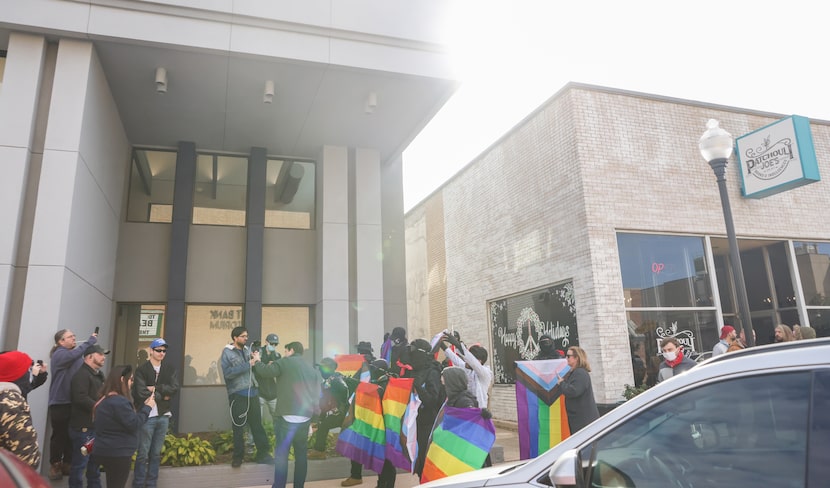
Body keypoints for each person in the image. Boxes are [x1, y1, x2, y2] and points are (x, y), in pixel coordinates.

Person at [253, 341, 322, 488]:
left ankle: (279, 486)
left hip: (286, 418)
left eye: (285, 351)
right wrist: (314, 421)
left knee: (282, 456)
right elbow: (317, 397)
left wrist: (257, 360)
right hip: (305, 418)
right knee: (301, 456)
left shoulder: (285, 362)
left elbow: (265, 372)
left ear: (290, 350)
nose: (284, 354)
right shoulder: (311, 369)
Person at [48, 328, 99, 480]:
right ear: (60, 341)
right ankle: (55, 465)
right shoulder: (59, 354)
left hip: (73, 402)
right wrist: (89, 341)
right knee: (59, 435)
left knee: (72, 435)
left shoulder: (74, 355)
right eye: (70, 337)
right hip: (60, 402)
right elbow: (74, 355)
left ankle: (68, 464)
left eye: (74, 336)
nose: (74, 338)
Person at [93, 365, 155, 488]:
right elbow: (134, 424)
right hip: (118, 452)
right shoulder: (120, 402)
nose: (132, 383)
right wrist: (148, 407)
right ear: (122, 379)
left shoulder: (104, 400)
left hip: (104, 450)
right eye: (131, 379)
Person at [220, 326, 273, 467]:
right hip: (238, 395)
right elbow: (228, 373)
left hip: (253, 393)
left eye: (246, 336)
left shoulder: (247, 350)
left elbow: (255, 369)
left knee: (257, 426)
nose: (246, 338)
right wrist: (248, 364)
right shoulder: (227, 353)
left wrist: (257, 359)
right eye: (243, 336)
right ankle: (238, 457)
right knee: (238, 427)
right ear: (235, 338)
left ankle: (263, 454)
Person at [132, 338, 179, 488]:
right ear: (151, 351)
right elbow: (140, 392)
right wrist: (163, 394)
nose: (162, 353)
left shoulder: (170, 368)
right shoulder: (142, 370)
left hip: (163, 415)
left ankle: (152, 483)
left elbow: (174, 389)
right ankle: (138, 483)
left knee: (156, 453)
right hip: (147, 415)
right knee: (143, 453)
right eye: (158, 350)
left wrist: (155, 389)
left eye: (164, 351)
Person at [399, 338, 445, 477]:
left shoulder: (432, 372)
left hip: (429, 425)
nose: (411, 356)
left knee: (427, 463)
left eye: (413, 352)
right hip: (417, 423)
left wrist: (418, 386)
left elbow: (432, 401)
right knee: (419, 463)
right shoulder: (417, 371)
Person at [69, 344, 108, 488]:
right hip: (83, 429)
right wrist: (100, 407)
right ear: (90, 356)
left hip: (95, 427)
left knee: (94, 467)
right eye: (100, 354)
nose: (104, 357)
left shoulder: (98, 375)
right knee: (79, 466)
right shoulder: (81, 375)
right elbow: (80, 398)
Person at [0, 350, 42, 467]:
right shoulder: (11, 405)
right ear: (19, 375)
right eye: (28, 370)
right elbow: (28, 459)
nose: (31, 373)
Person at [439, 331, 493, 409]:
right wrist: (441, 344)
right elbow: (454, 358)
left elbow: (472, 362)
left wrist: (458, 345)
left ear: (479, 361)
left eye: (468, 358)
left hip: (479, 412)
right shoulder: (467, 369)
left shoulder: (485, 373)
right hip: (466, 408)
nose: (466, 360)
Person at [308, 357, 349, 460]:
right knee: (323, 425)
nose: (320, 370)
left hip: (342, 413)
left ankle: (319, 451)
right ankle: (320, 450)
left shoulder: (335, 379)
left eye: (322, 368)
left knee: (324, 426)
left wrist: (341, 407)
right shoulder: (329, 380)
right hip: (339, 413)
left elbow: (344, 390)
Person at [555, 346, 600, 434]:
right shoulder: (575, 372)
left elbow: (573, 391)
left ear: (576, 358)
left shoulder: (580, 373)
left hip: (583, 421)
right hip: (579, 419)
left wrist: (562, 383)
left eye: (568, 356)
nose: (566, 358)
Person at [255, 333, 282, 429]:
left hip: (273, 392)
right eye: (272, 343)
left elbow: (279, 372)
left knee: (278, 418)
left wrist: (273, 366)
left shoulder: (278, 356)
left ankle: (277, 438)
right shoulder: (258, 353)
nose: (273, 346)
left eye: (275, 344)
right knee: (257, 418)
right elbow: (256, 370)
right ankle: (252, 441)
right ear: (266, 342)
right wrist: (268, 368)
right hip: (259, 391)